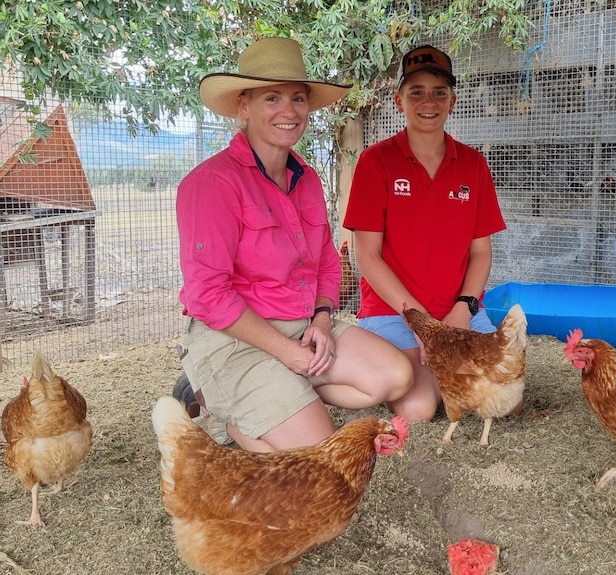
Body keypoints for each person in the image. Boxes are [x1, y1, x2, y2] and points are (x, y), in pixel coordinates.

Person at [174, 37, 412, 452]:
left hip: (303, 326)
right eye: (272, 97)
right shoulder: (212, 184)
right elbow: (208, 296)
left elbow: (325, 261)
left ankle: (284, 394)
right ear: (243, 107)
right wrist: (285, 351)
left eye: (298, 98)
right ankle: (223, 416)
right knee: (319, 455)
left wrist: (321, 321)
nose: (289, 110)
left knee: (394, 376)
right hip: (236, 339)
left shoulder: (307, 179)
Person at [343, 45, 509, 422]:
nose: (428, 101)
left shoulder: (473, 164)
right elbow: (366, 257)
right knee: (418, 409)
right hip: (393, 312)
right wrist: (421, 323)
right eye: (416, 91)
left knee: (503, 404)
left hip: (457, 311)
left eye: (439, 92)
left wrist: (464, 309)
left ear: (453, 101)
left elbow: (481, 252)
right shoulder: (376, 161)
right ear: (399, 101)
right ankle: (426, 374)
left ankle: (441, 372)